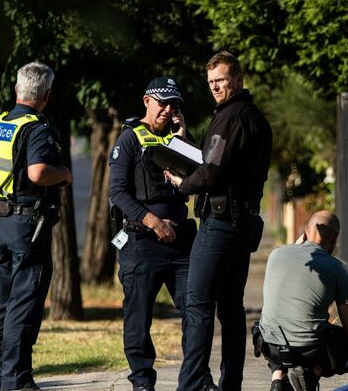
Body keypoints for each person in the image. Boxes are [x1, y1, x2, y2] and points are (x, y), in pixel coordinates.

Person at [165, 51, 273, 391]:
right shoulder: (252, 117)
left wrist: (184, 184)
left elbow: (211, 172)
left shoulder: (231, 117)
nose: (214, 87)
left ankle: (191, 384)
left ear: (237, 79)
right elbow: (219, 163)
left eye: (221, 80)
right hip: (242, 223)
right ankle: (231, 384)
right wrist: (184, 143)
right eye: (211, 81)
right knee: (230, 308)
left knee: (197, 304)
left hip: (221, 224)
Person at [108, 76, 215, 391]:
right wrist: (154, 222)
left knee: (196, 309)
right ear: (147, 101)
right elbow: (118, 193)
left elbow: (200, 177)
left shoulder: (179, 137)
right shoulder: (129, 139)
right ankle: (142, 380)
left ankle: (198, 377)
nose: (169, 110)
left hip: (181, 241)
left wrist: (184, 139)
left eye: (174, 105)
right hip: (142, 241)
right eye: (163, 103)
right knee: (138, 315)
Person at [0, 62, 72, 391]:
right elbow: (38, 173)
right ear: (46, 95)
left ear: (17, 89)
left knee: (1, 302)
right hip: (26, 226)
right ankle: (17, 379)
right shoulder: (36, 128)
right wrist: (64, 174)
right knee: (24, 303)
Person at [253, 211, 348, 391]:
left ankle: (278, 377)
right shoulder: (336, 268)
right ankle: (311, 371)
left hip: (269, 347)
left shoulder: (276, 254)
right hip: (308, 351)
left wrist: (296, 245)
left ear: (305, 232)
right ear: (335, 238)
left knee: (279, 320)